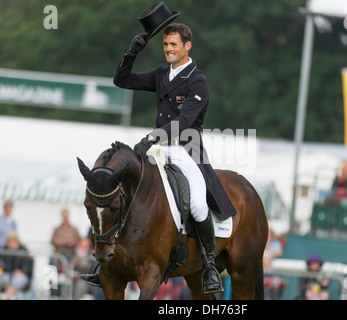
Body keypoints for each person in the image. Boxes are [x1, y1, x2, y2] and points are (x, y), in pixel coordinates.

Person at [82, 21, 236, 294]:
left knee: (199, 205)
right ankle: (108, 263)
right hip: (158, 147)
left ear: (187, 46)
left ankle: (210, 266)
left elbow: (185, 120)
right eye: (165, 44)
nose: (168, 49)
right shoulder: (162, 74)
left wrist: (152, 137)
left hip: (186, 148)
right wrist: (131, 53)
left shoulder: (198, 81)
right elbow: (122, 80)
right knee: (124, 190)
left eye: (173, 44)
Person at [0, 231, 33, 299]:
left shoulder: (23, 251)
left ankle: (7, 294)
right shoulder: (3, 251)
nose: (11, 244)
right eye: (9, 241)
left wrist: (22, 271)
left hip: (19, 276)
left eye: (13, 241)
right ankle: (8, 295)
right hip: (6, 274)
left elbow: (27, 267)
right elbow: (2, 265)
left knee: (19, 279)